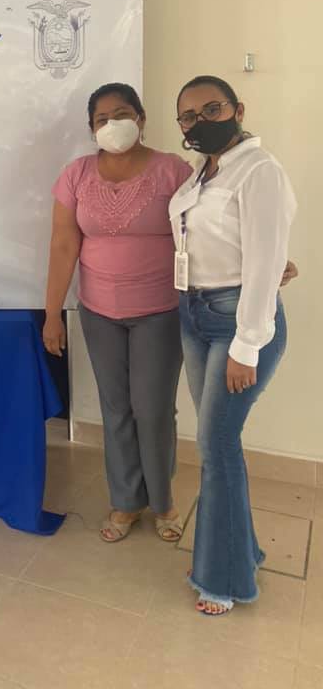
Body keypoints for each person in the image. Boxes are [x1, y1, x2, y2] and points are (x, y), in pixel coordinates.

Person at [169, 75, 296, 615]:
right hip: (194, 313)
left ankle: (223, 579)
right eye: (188, 116)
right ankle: (241, 551)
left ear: (237, 109)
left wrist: (247, 345)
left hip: (238, 323)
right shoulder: (203, 169)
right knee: (219, 444)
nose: (200, 121)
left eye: (212, 109)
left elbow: (265, 262)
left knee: (215, 445)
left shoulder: (259, 170)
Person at [43, 83, 193, 543]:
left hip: (160, 311)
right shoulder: (76, 175)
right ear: (92, 129)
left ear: (142, 118)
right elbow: (63, 244)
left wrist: (257, 265)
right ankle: (126, 501)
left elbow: (204, 233)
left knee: (153, 409)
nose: (113, 124)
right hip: (98, 312)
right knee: (116, 409)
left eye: (122, 114)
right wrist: (53, 314)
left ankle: (163, 502)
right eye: (102, 119)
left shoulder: (173, 171)